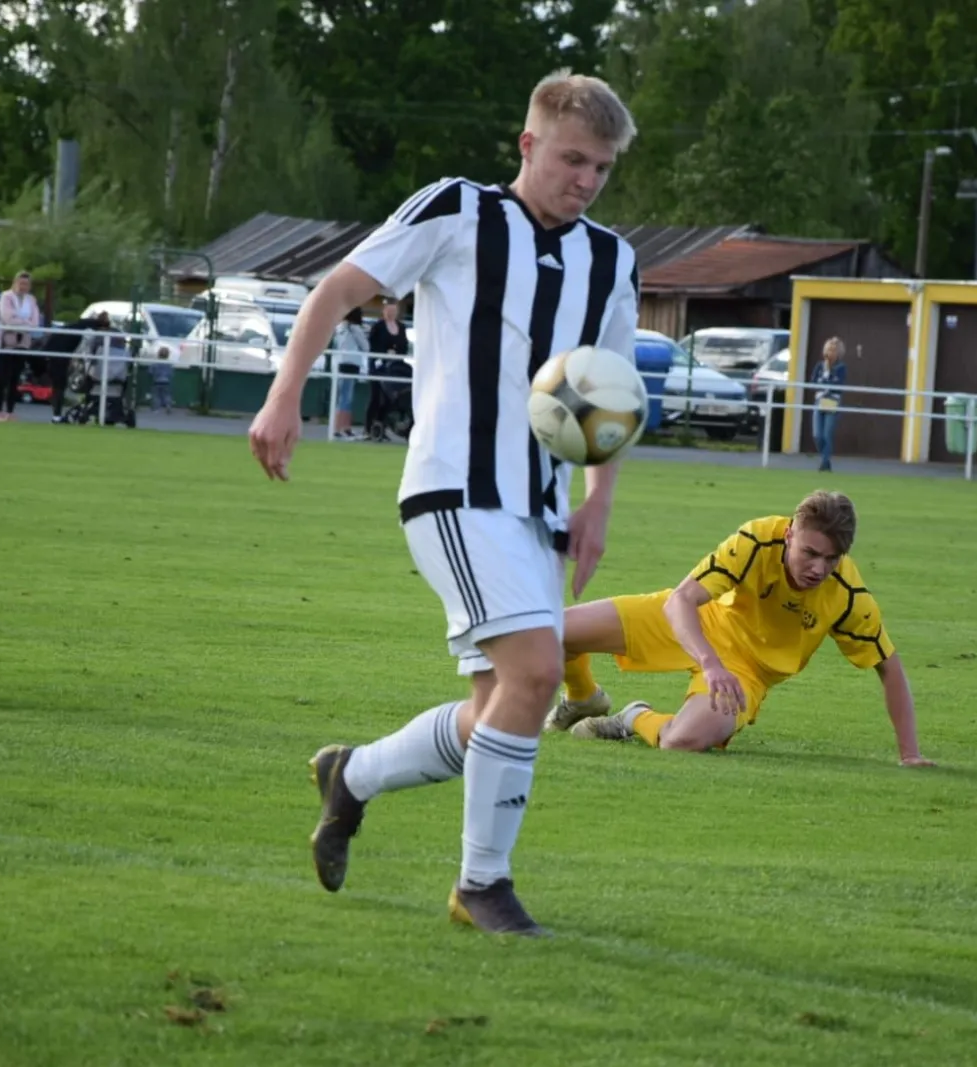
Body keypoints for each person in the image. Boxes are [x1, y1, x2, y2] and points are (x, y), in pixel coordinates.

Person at [247, 70, 641, 936]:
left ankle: (351, 775)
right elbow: (335, 290)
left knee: (496, 706)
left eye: (603, 168)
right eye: (573, 159)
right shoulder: (458, 209)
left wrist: (598, 503)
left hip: (538, 510)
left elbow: (610, 392)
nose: (586, 180)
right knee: (537, 674)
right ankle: (482, 885)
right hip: (455, 487)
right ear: (529, 144)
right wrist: (284, 397)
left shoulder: (611, 260)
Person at [546, 490, 934, 767]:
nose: (819, 568)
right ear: (789, 534)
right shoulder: (756, 540)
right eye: (810, 553)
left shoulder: (848, 594)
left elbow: (889, 666)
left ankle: (633, 718)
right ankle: (583, 697)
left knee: (681, 741)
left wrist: (910, 754)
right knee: (550, 630)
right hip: (701, 620)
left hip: (746, 671)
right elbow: (680, 601)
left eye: (832, 559)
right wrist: (709, 661)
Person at [37, 310, 109, 422]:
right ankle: (57, 416)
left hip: (53, 351)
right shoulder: (88, 329)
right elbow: (84, 349)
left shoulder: (80, 324)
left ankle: (57, 414)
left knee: (58, 385)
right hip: (58, 354)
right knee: (59, 386)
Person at [0, 271, 43, 422]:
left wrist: (23, 323)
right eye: (21, 283)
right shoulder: (6, 296)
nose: (23, 287)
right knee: (2, 377)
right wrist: (25, 323)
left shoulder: (31, 300)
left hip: (23, 343)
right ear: (15, 283)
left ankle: (10, 410)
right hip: (7, 342)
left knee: (15, 378)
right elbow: (8, 317)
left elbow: (35, 322)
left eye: (26, 284)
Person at [364, 298, 411, 442]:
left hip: (395, 367)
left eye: (394, 309)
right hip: (379, 367)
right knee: (376, 397)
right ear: (384, 310)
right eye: (389, 309)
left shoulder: (401, 327)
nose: (391, 312)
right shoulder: (378, 327)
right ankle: (369, 428)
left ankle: (381, 426)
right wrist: (385, 352)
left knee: (392, 398)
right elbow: (372, 346)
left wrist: (396, 353)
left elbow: (404, 347)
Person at [331, 307, 370, 440]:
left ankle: (344, 428)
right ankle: (340, 429)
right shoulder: (355, 329)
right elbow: (366, 347)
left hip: (340, 363)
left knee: (343, 397)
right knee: (346, 398)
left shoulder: (339, 328)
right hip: (352, 364)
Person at [811, 336, 847, 472]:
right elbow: (814, 381)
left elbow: (838, 385)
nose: (830, 353)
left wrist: (828, 379)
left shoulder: (841, 367)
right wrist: (826, 380)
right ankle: (825, 458)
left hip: (832, 401)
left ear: (839, 353)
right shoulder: (819, 366)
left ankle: (825, 463)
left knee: (827, 434)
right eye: (829, 349)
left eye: (834, 350)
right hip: (820, 400)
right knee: (817, 435)